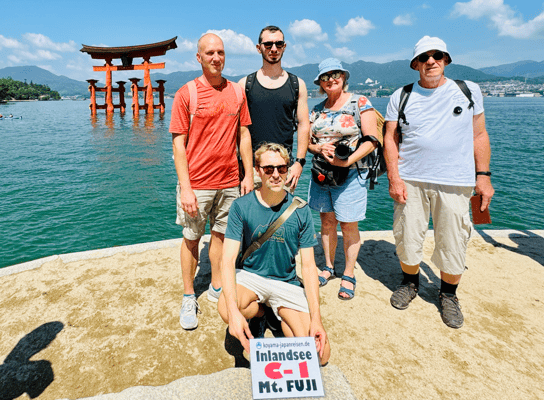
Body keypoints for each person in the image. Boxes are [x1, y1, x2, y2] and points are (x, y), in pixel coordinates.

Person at [383, 36, 494, 328]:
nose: (431, 61)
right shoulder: (401, 95)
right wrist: (394, 178)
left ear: (446, 60)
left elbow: (479, 135)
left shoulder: (468, 90)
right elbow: (389, 139)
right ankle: (410, 282)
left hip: (456, 181)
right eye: (424, 57)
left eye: (437, 55)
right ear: (415, 64)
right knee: (407, 237)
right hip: (410, 179)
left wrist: (483, 177)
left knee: (454, 240)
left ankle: (448, 294)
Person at [169, 33, 253, 330]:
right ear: (199, 57)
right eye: (210, 53)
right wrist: (186, 188)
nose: (216, 58)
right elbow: (178, 145)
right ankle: (188, 294)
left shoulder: (237, 92)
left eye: (221, 52)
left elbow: (244, 134)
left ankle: (217, 284)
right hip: (198, 183)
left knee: (220, 235)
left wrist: (248, 175)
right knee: (192, 238)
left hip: (230, 181)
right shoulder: (186, 93)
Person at [218, 143, 330, 365]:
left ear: (288, 169)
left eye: (282, 168)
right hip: (251, 278)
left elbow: (308, 266)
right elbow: (227, 259)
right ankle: (260, 314)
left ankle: (276, 315)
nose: (276, 175)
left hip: (286, 282)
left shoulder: (301, 210)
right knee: (226, 309)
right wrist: (233, 312)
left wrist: (316, 318)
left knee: (320, 356)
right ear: (257, 170)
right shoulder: (241, 206)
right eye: (268, 169)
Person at [307, 58, 379, 301]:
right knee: (327, 222)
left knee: (348, 225)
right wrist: (319, 149)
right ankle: (328, 266)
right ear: (320, 83)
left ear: (344, 77)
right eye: (325, 77)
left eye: (335, 74)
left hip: (351, 173)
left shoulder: (360, 102)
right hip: (322, 173)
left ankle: (348, 273)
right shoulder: (317, 109)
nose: (331, 80)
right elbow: (307, 142)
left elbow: (372, 140)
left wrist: (347, 161)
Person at [238, 25, 310, 190]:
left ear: (284, 47)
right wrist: (244, 168)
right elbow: (239, 129)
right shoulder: (245, 84)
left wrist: (299, 162)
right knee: (249, 208)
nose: (274, 49)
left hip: (284, 169)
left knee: (283, 208)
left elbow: (303, 125)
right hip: (252, 169)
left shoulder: (297, 84)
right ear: (259, 48)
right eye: (268, 44)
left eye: (278, 44)